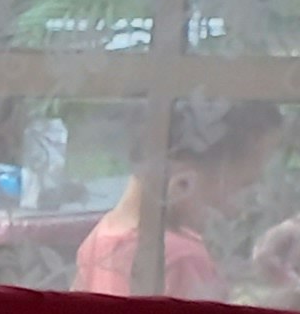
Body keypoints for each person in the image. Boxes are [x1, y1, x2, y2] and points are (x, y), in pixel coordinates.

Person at [73, 101, 300, 298]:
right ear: (182, 184)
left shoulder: (98, 239)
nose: (237, 212)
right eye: (242, 187)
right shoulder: (182, 259)